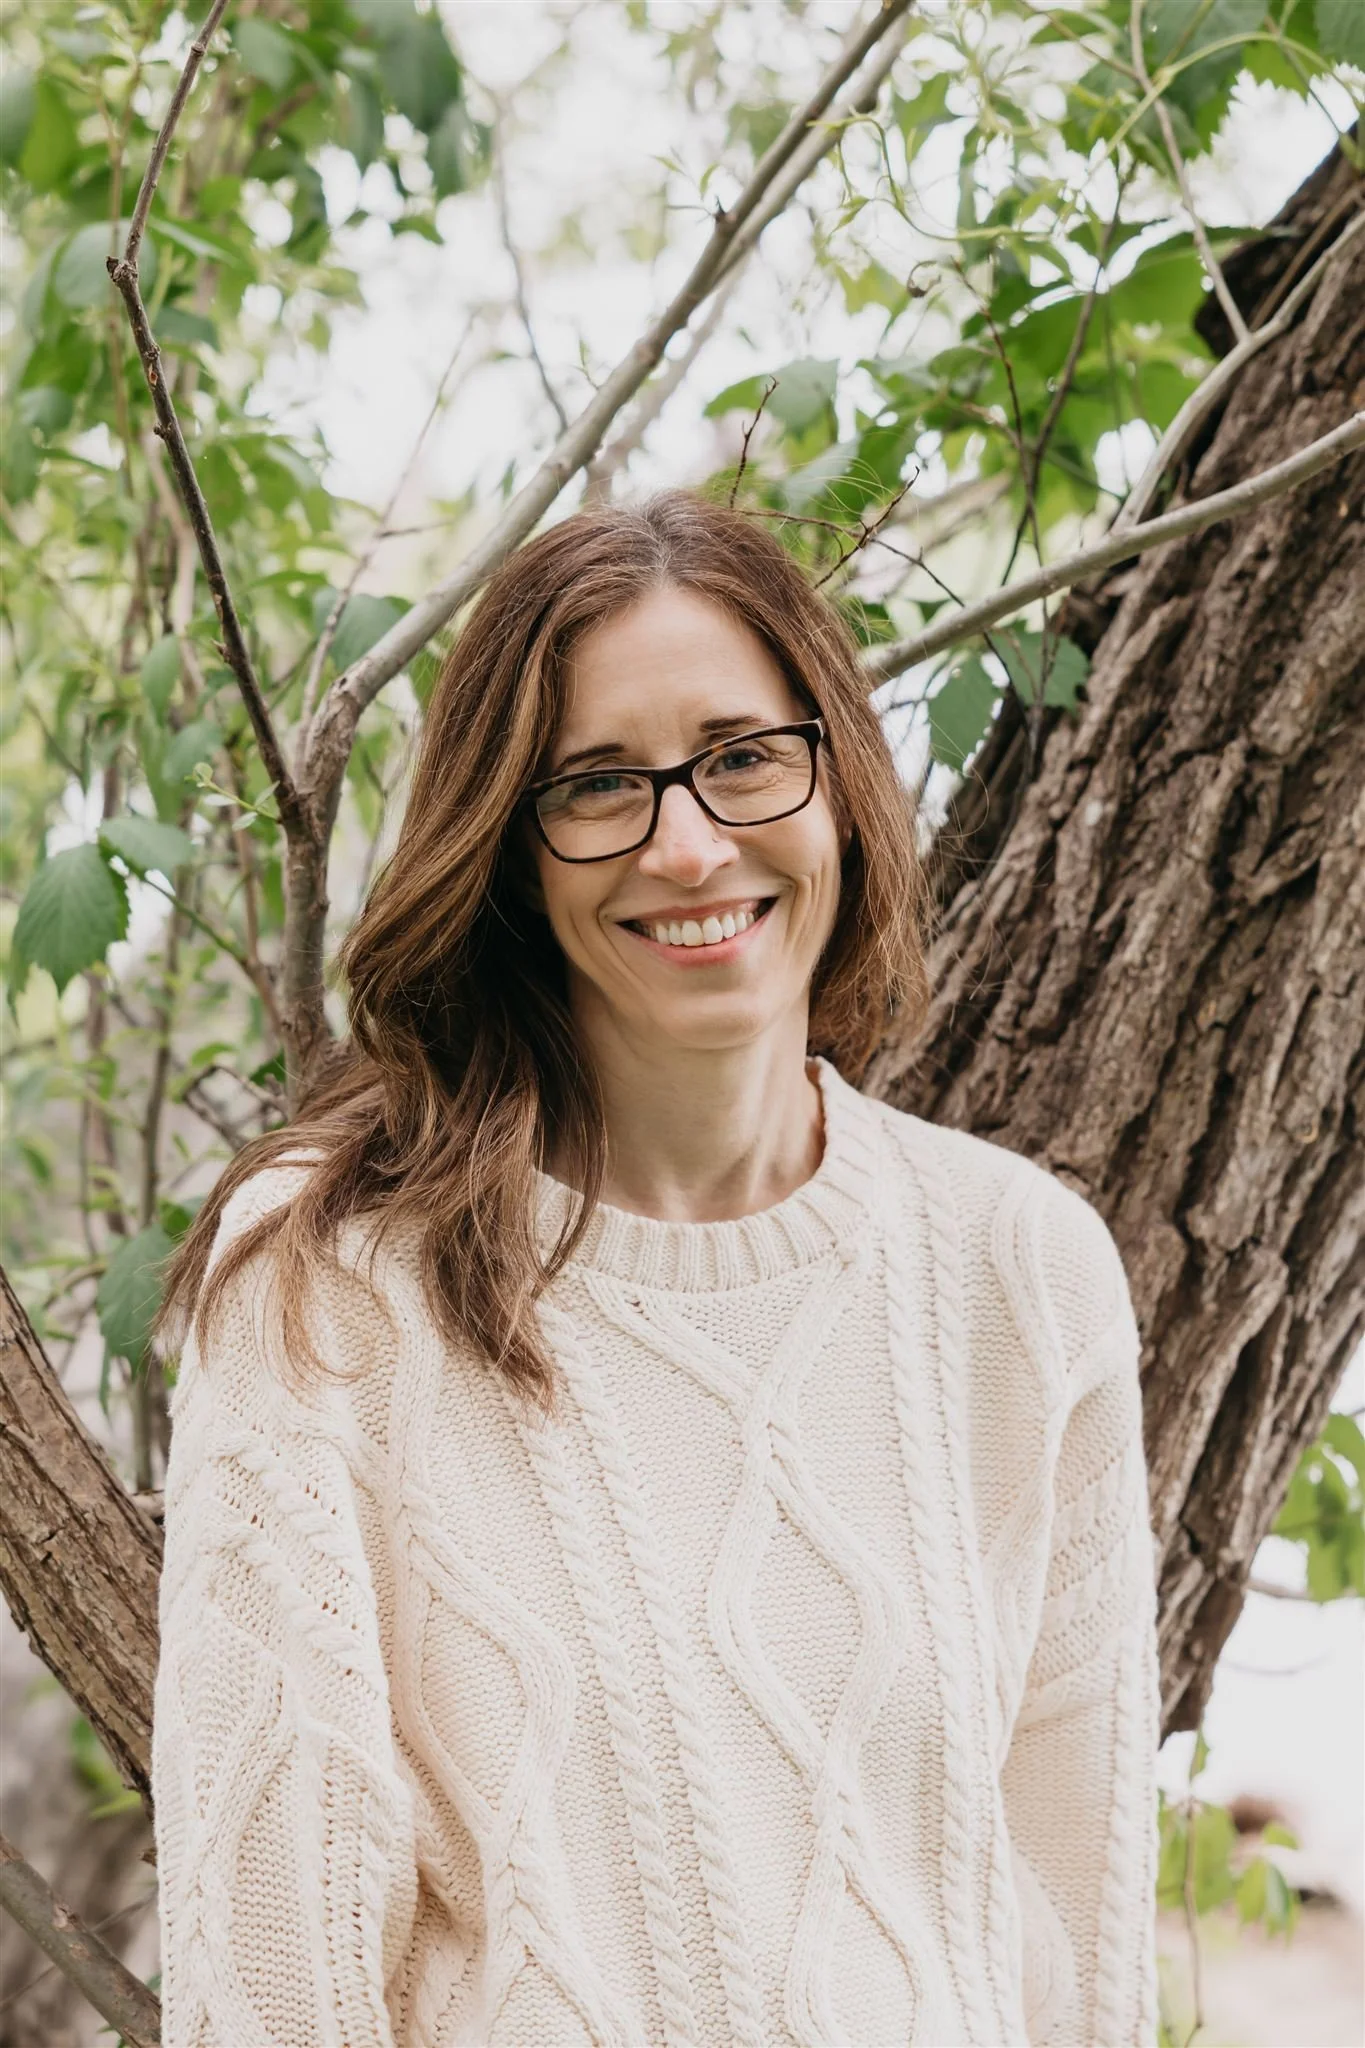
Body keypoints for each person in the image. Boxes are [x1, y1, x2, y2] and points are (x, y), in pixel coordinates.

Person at [150, 488, 1162, 2048]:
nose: (689, 847)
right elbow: (272, 1982)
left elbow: (1075, 1945)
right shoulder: (332, 1284)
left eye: (743, 756)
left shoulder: (1021, 1272)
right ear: (513, 850)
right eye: (600, 785)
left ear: (841, 783)